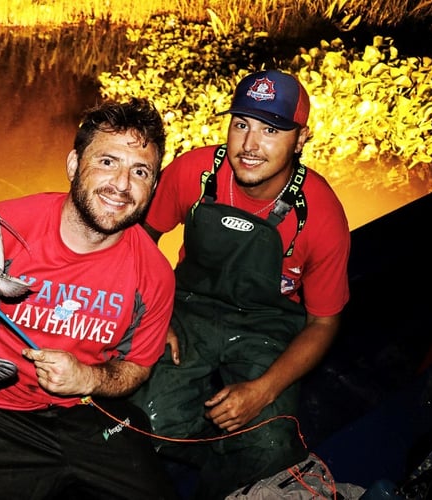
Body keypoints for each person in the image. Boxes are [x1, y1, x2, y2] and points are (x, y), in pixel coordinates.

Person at [0, 98, 179, 500]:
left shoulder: (155, 274)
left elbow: (138, 368)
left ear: (154, 186)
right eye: (107, 162)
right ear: (74, 165)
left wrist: (86, 377)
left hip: (87, 414)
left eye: (140, 171)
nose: (122, 185)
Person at [129, 69, 351, 499]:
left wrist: (262, 390)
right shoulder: (193, 171)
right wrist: (154, 315)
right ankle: (222, 454)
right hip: (188, 306)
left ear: (301, 139)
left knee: (268, 447)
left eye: (271, 130)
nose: (250, 145)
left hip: (268, 325)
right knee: (147, 421)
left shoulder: (321, 214)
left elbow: (323, 324)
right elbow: (140, 241)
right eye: (241, 124)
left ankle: (234, 473)